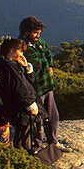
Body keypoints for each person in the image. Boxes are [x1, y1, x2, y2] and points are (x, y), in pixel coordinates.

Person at [0, 37, 45, 150]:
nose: (21, 54)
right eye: (20, 50)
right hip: (21, 108)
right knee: (23, 139)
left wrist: (27, 69)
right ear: (11, 50)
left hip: (18, 107)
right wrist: (30, 104)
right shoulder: (9, 66)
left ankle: (22, 158)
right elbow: (19, 87)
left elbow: (26, 83)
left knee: (22, 135)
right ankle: (23, 160)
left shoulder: (10, 64)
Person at [19, 16, 59, 146]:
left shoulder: (39, 42)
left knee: (53, 115)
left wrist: (50, 65)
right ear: (26, 32)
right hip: (35, 89)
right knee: (37, 118)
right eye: (35, 33)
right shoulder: (20, 47)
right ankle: (37, 144)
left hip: (47, 86)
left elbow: (48, 53)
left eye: (39, 33)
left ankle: (53, 140)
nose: (37, 35)